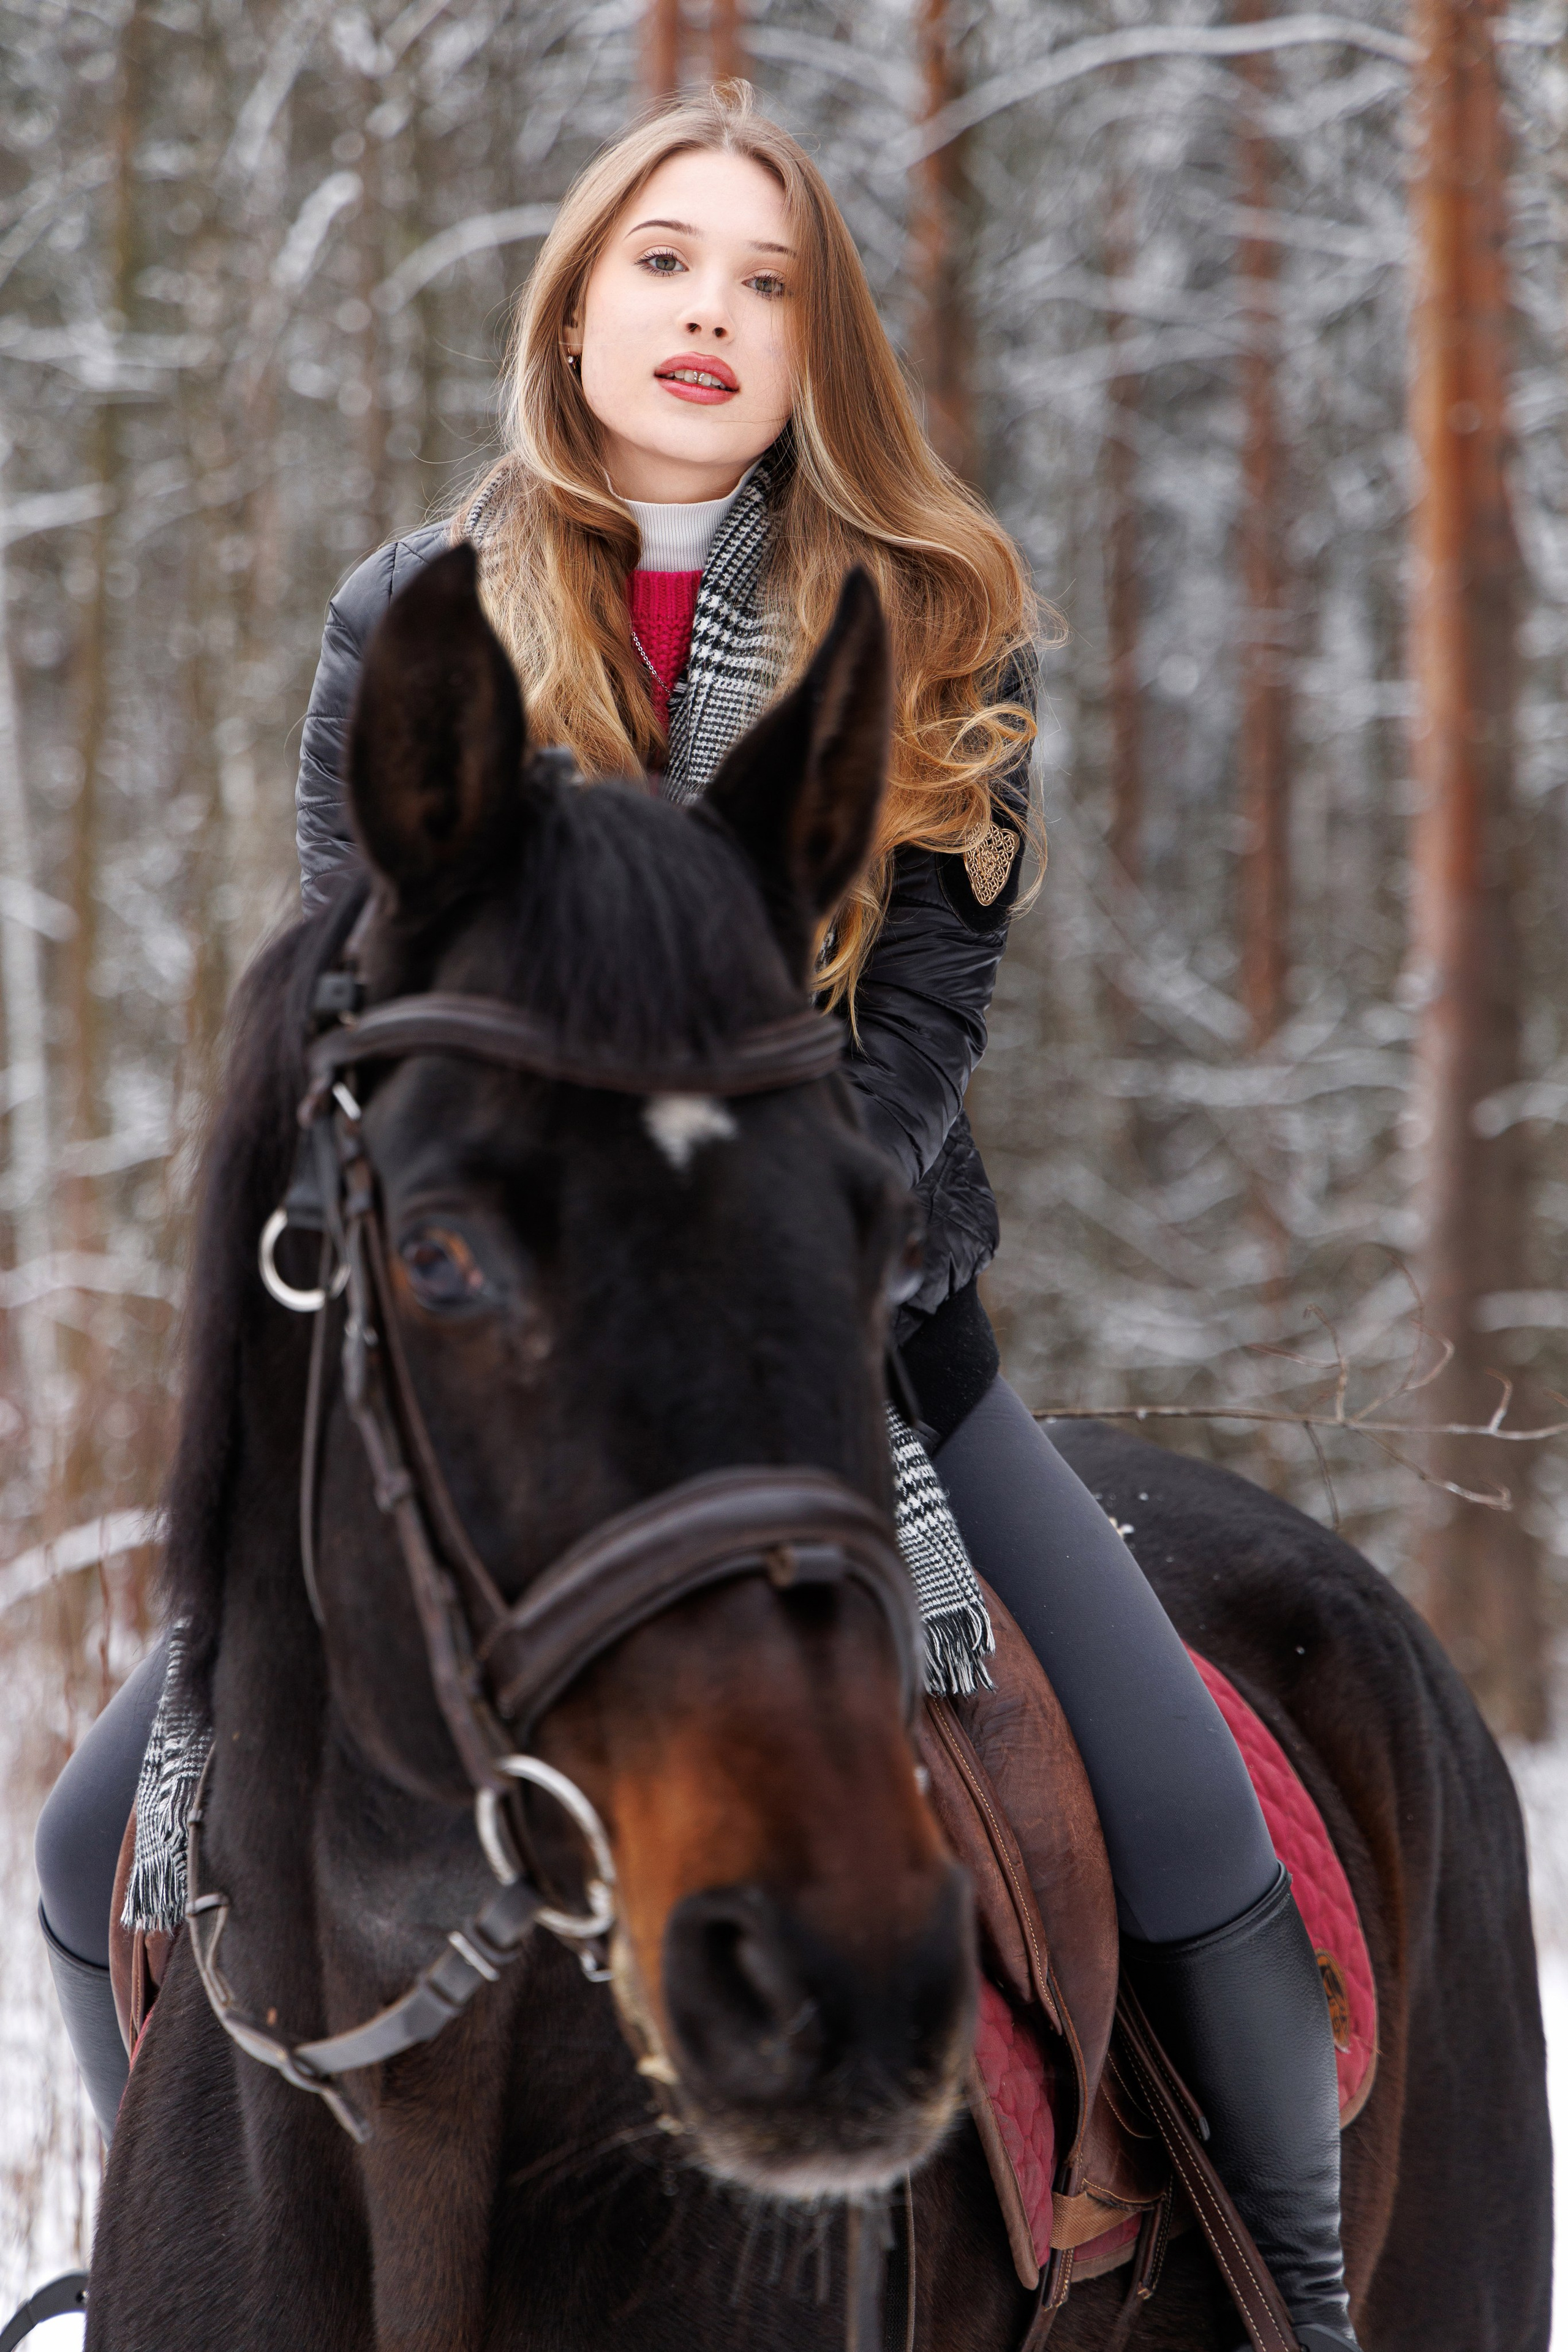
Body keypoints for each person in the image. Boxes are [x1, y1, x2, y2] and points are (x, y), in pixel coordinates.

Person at [35, 85, 1357, 2352]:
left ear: (816, 344)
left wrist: (750, 1234)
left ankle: (1307, 2295)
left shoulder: (934, 633)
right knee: (92, 1853)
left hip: (842, 1347)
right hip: (502, 1375)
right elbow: (368, 1011)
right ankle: (191, 2270)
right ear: (573, 311)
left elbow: (926, 1028)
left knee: (1191, 1832)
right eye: (663, 262)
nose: (708, 315)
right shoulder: (412, 625)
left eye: (763, 281)